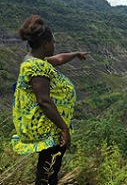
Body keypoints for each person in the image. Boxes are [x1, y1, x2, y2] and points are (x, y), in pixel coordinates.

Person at [11, 15, 89, 185]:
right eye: (53, 42)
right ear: (46, 43)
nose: (54, 46)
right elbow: (43, 101)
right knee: (48, 173)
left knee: (48, 169)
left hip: (51, 126)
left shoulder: (37, 61)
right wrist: (64, 128)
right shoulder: (36, 67)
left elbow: (59, 59)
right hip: (50, 128)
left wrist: (75, 54)